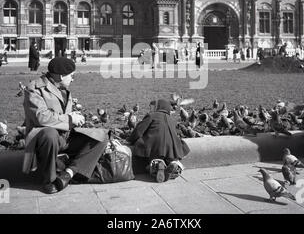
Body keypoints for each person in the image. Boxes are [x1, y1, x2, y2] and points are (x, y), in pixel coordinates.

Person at [22, 57, 108, 194]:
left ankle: (68, 174)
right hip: (45, 140)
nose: (73, 79)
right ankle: (49, 180)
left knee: (101, 137)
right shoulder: (34, 89)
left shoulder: (62, 87)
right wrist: (69, 118)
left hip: (65, 136)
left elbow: (60, 114)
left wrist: (76, 118)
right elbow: (41, 118)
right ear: (61, 76)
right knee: (49, 134)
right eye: (71, 76)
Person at [127, 99, 190, 183]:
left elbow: (139, 131)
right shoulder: (172, 119)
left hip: (155, 145)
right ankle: (173, 163)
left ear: (158, 106)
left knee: (151, 152)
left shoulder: (151, 115)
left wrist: (130, 139)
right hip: (172, 147)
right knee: (170, 156)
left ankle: (157, 165)